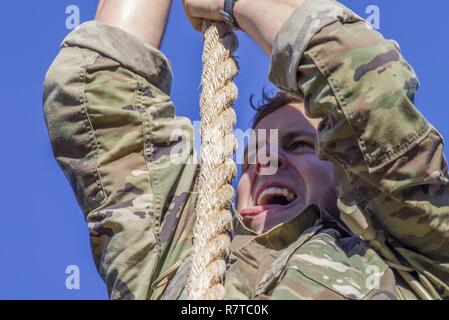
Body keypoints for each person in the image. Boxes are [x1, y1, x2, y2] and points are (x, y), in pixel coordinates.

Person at [43, 0, 449, 299]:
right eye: (254, 155)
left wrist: (234, 3)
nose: (269, 162)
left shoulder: (413, 271)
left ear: (347, 178)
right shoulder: (169, 264)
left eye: (300, 145)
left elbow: (364, 84)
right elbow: (96, 96)